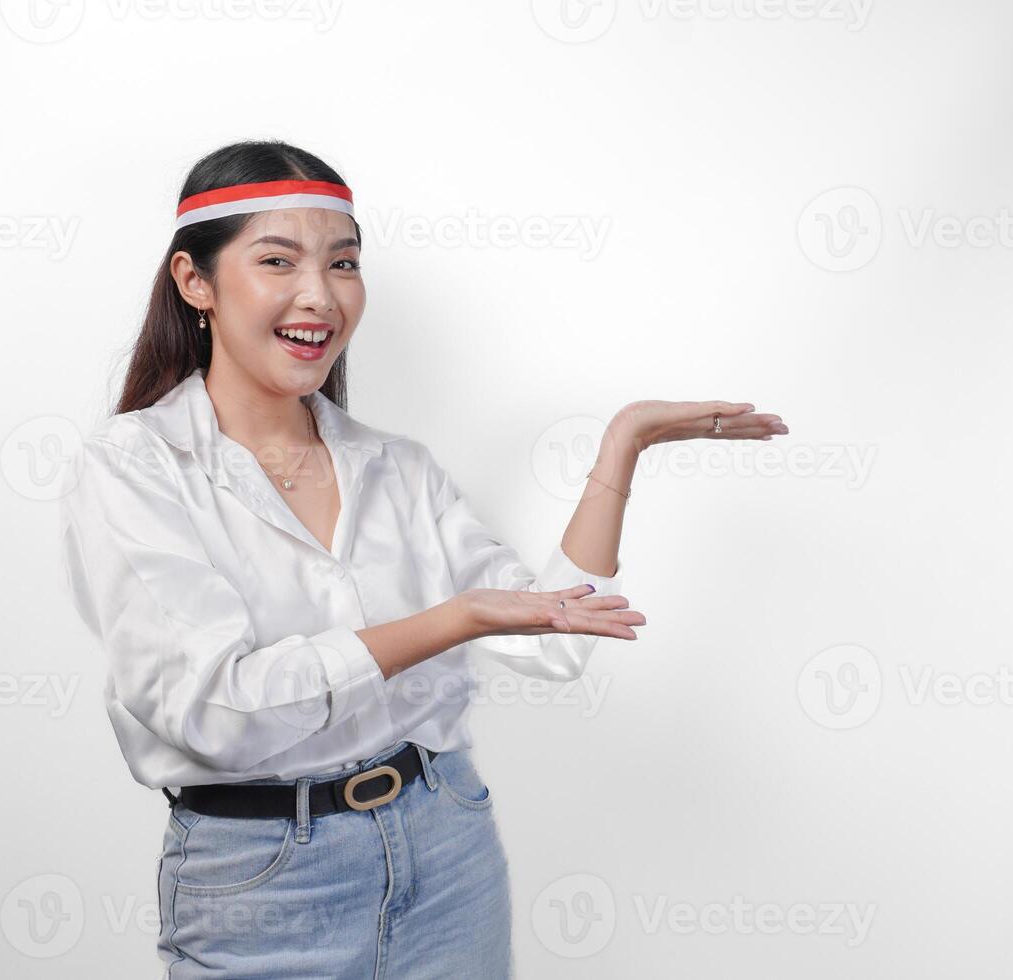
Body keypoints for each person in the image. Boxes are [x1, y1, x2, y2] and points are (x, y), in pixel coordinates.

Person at [58, 139, 789, 978]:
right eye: (277, 260)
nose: (319, 295)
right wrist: (452, 621)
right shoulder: (135, 466)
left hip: (446, 847)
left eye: (344, 262)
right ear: (196, 282)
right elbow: (217, 712)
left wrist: (623, 444)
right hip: (262, 884)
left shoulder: (397, 469)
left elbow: (554, 634)